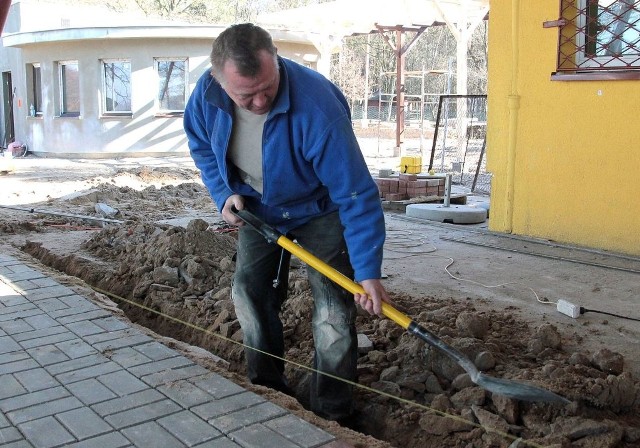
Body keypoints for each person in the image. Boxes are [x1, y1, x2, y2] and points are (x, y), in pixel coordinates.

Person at [183, 23, 390, 424]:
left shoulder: (318, 107)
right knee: (249, 291)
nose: (261, 101)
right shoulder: (205, 97)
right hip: (258, 207)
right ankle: (267, 392)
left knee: (332, 308)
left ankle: (331, 413)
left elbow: (354, 193)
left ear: (275, 60)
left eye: (268, 87)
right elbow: (200, 145)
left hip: (320, 211)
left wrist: (367, 270)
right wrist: (223, 193)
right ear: (220, 81)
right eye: (247, 96)